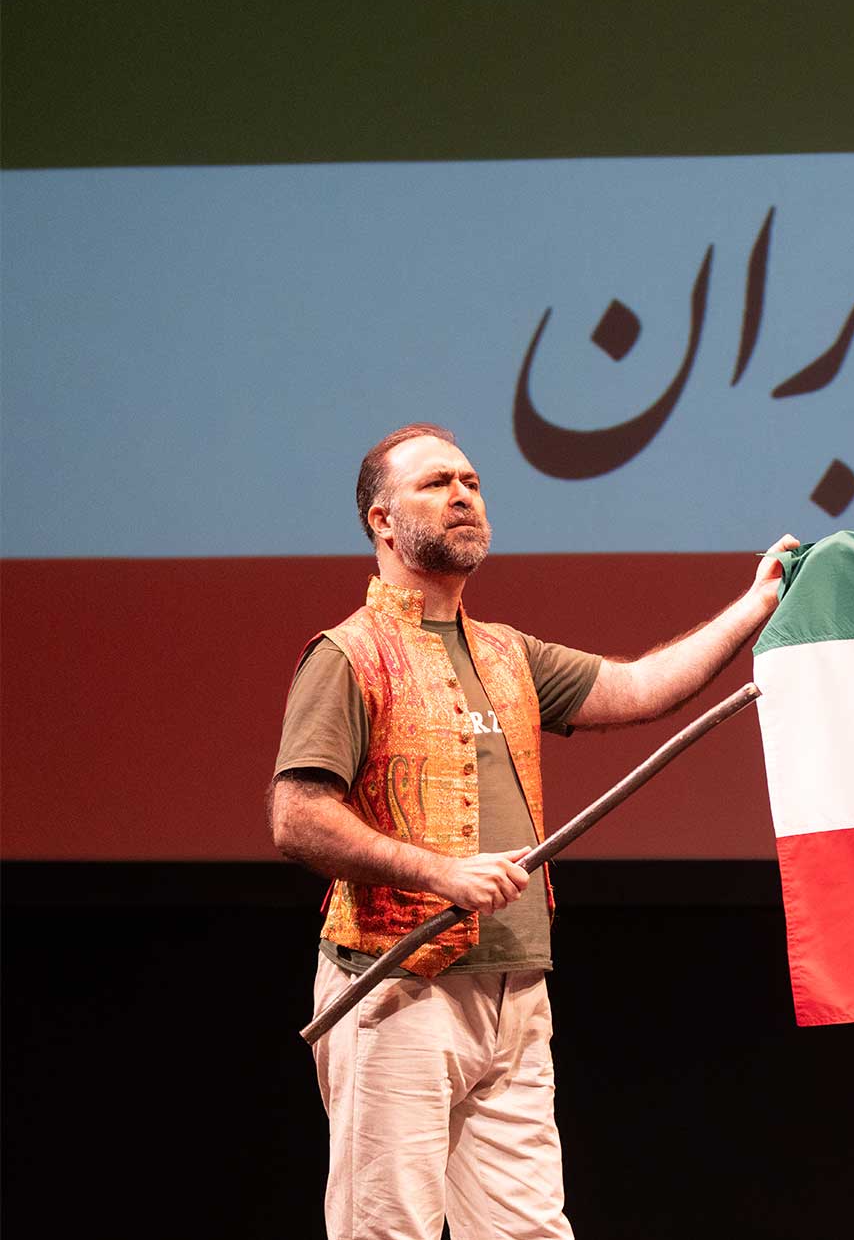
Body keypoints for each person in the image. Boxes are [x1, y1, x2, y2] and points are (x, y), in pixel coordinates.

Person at [269, 422, 794, 1240]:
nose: (463, 495)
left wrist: (756, 605)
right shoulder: (349, 653)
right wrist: (439, 872)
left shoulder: (508, 652)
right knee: (387, 1230)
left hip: (514, 990)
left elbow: (639, 687)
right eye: (436, 483)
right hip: (398, 987)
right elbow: (297, 817)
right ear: (381, 521)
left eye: (472, 482)